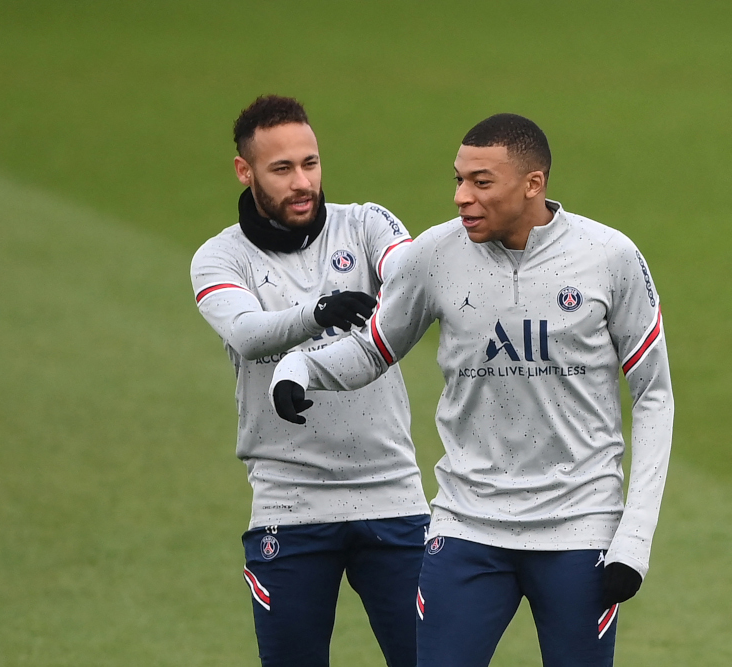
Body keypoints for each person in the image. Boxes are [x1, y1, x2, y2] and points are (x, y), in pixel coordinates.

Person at [270, 113, 673, 667]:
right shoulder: (435, 255)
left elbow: (653, 393)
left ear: (533, 184)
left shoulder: (611, 257)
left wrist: (634, 540)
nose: (462, 196)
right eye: (458, 179)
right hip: (468, 524)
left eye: (481, 182)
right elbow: (374, 348)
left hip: (581, 529)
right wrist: (301, 367)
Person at [190, 95, 430, 667]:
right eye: (282, 169)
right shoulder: (219, 258)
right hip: (290, 503)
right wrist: (319, 313)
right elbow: (249, 334)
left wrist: (402, 285)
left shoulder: (367, 223)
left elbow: (410, 273)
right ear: (245, 172)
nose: (303, 182)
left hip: (392, 493)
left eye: (311, 164)